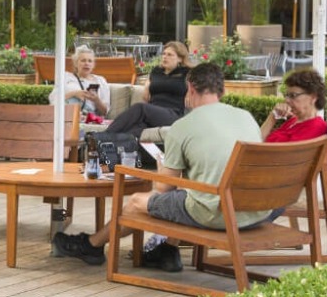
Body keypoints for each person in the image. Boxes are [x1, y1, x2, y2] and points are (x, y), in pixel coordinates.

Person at [53, 62, 271, 273]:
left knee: (139, 202)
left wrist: (161, 166)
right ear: (222, 91)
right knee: (183, 195)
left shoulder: (184, 126)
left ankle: (92, 245)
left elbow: (163, 188)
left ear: (191, 89)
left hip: (216, 213)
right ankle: (166, 250)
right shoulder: (246, 117)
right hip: (257, 210)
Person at [104, 41, 191, 136]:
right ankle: (108, 145)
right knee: (133, 130)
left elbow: (196, 90)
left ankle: (103, 136)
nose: (165, 57)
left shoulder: (187, 73)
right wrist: (147, 85)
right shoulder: (156, 71)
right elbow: (148, 92)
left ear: (180, 58)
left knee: (140, 107)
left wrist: (190, 91)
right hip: (152, 112)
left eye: (170, 55)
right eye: (164, 54)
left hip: (172, 114)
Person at [260, 69, 327, 144]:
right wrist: (273, 116)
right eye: (287, 95)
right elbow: (257, 140)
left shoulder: (316, 126)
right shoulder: (293, 122)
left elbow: (289, 154)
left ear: (313, 97)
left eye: (293, 95)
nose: (287, 100)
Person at [49, 44, 110, 124]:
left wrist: (96, 100)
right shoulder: (66, 77)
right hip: (66, 116)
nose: (86, 64)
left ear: (93, 65)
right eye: (83, 60)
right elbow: (53, 99)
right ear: (75, 63)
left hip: (87, 119)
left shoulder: (100, 81)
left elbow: (105, 112)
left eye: (90, 61)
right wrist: (75, 93)